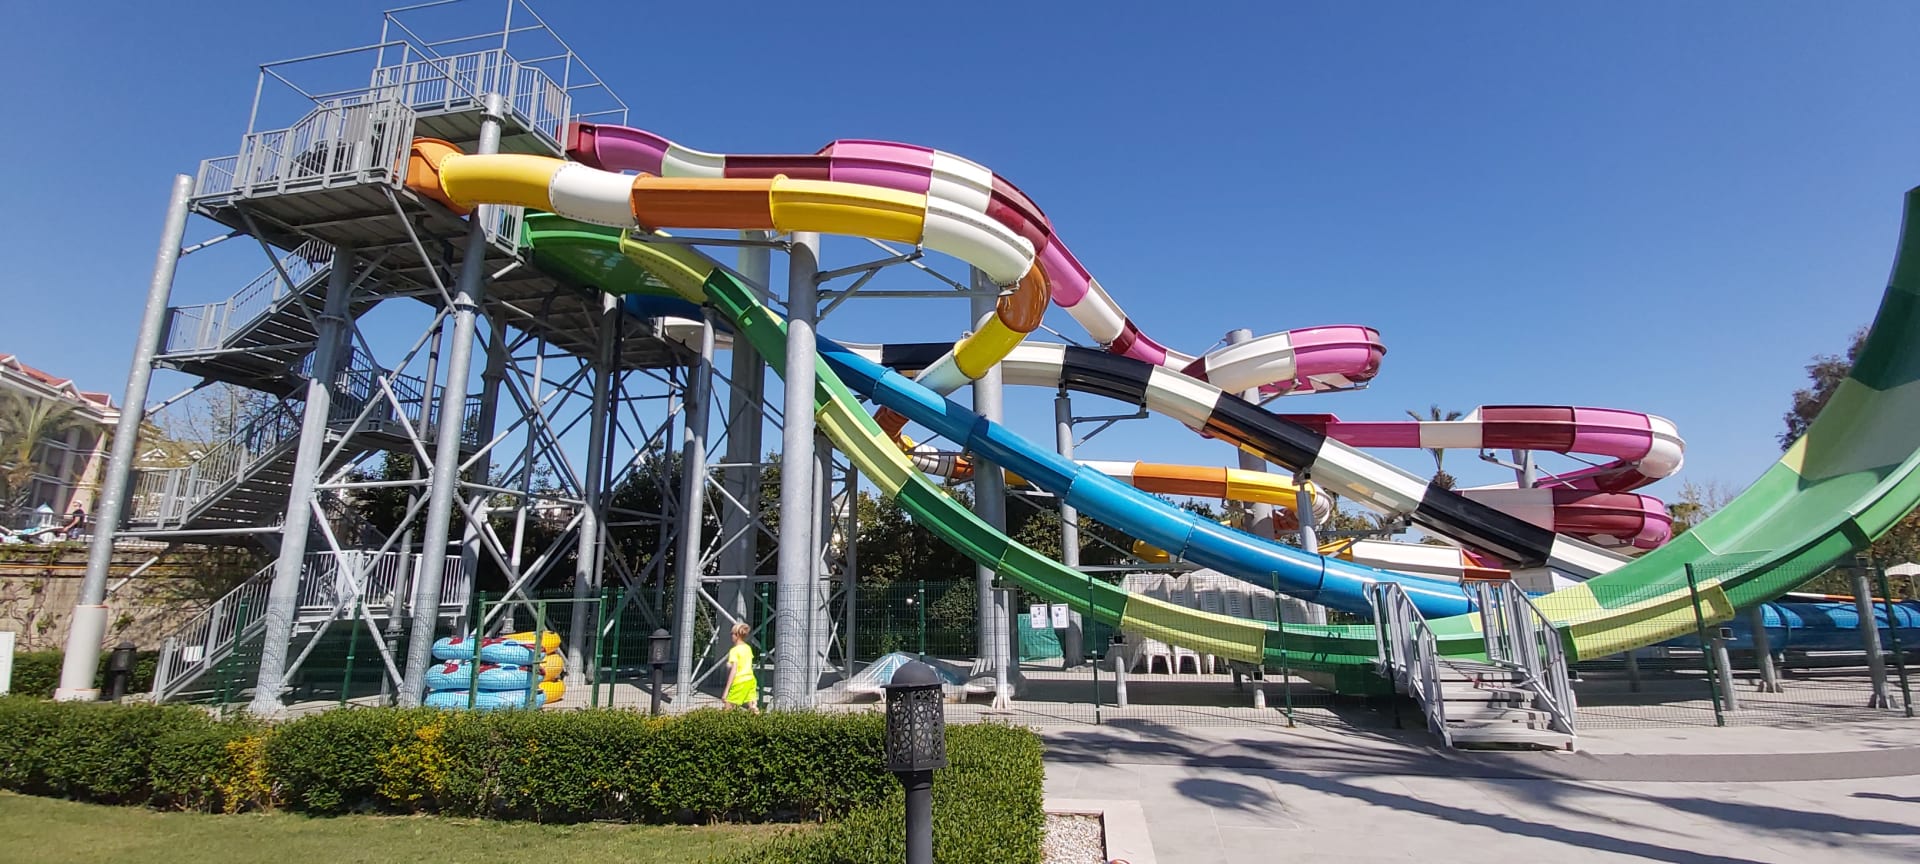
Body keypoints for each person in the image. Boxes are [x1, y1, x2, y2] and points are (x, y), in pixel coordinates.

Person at [722, 622, 759, 713]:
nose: (731, 636)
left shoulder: (734, 650)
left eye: (732, 634)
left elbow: (734, 670)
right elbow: (745, 663)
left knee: (728, 707)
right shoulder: (748, 648)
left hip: (740, 681)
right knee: (753, 707)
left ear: (737, 635)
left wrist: (726, 690)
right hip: (751, 680)